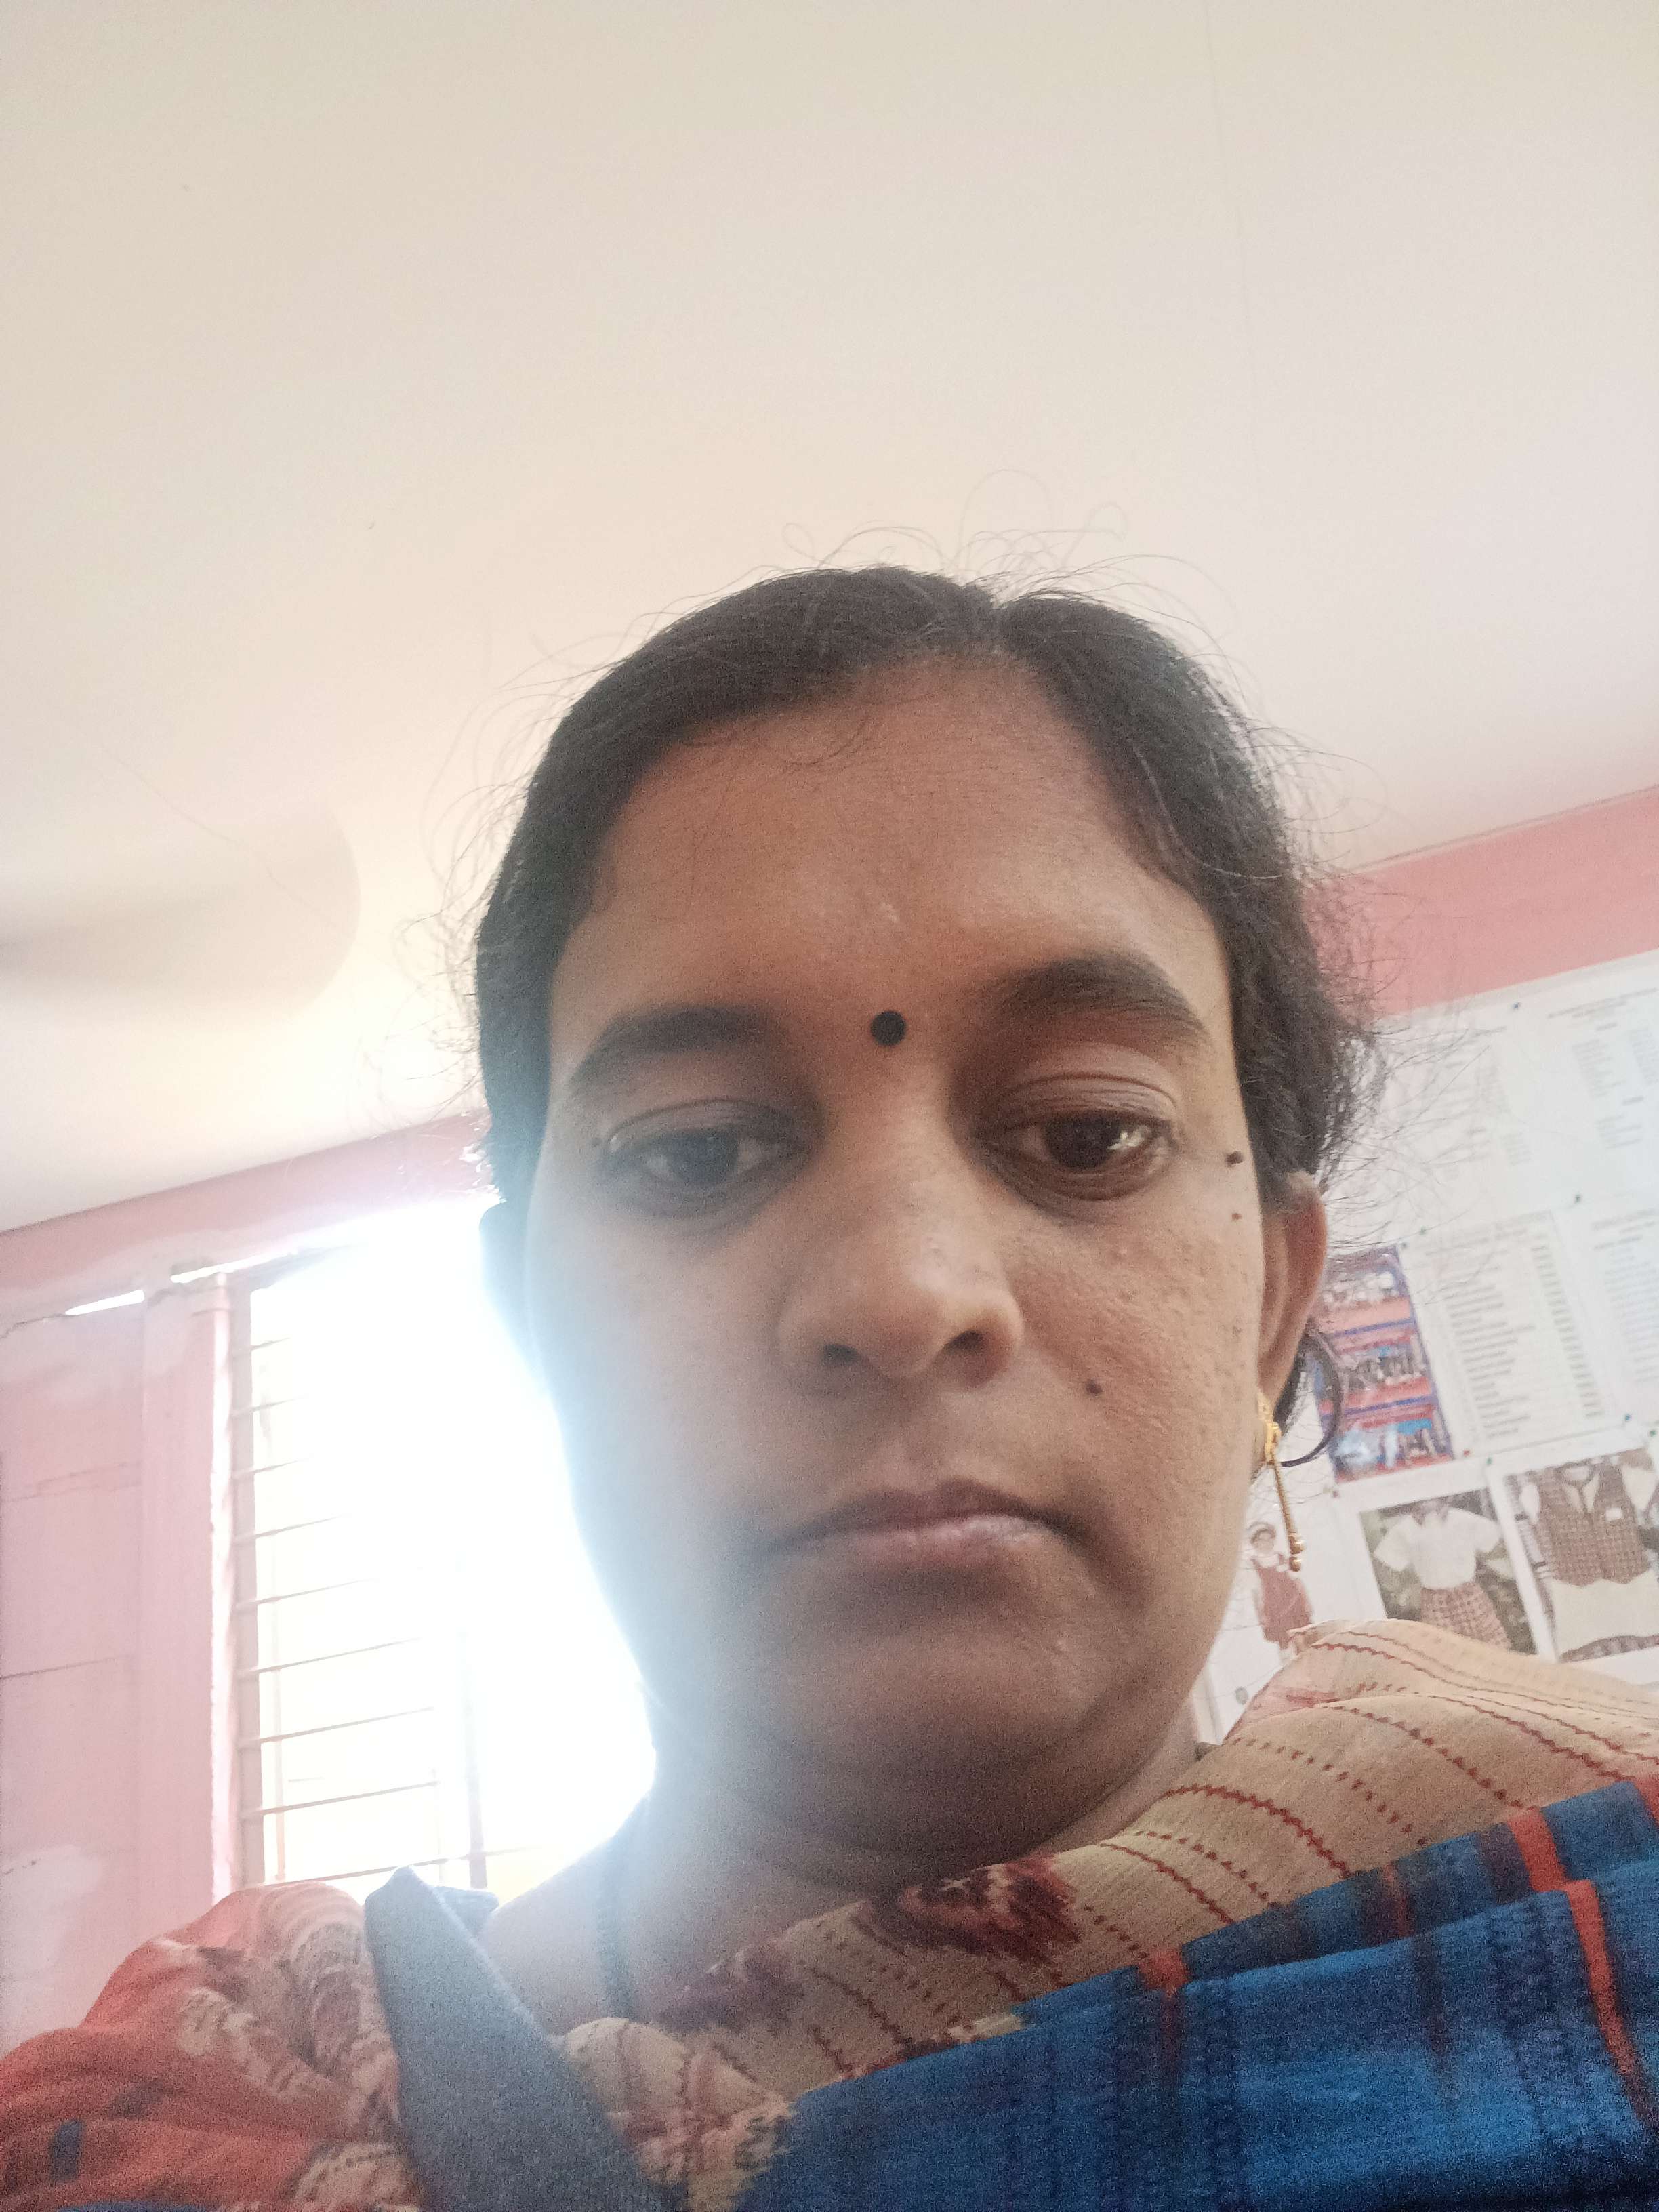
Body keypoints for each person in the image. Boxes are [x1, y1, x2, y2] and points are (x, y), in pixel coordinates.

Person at [8, 568, 1659, 2211]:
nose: (903, 1293)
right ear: (531, 1326)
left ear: (1273, 1312)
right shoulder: (190, 2129)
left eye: (1087, 1132)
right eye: (696, 1153)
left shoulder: (1600, 1894)